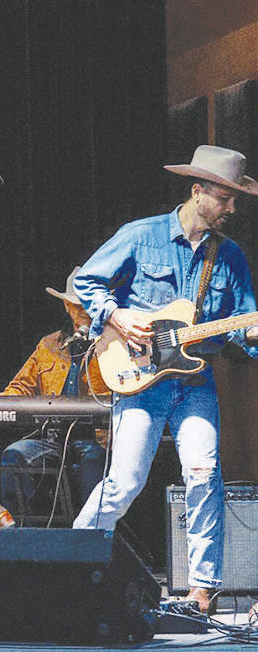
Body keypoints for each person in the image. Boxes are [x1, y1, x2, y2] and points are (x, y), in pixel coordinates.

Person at [72, 145, 258, 614]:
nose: (232, 209)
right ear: (197, 192)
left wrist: (251, 333)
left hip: (196, 382)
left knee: (204, 474)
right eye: (225, 198)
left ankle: (202, 588)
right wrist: (117, 315)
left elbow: (243, 323)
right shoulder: (141, 236)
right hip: (140, 380)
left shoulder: (229, 255)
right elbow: (86, 282)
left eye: (235, 200)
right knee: (125, 481)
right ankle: (73, 559)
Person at [0, 267, 109, 517]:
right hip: (52, 438)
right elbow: (22, 386)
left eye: (87, 304)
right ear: (66, 307)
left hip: (98, 440)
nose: (82, 311)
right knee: (16, 454)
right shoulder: (49, 344)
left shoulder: (113, 345)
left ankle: (93, 535)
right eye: (75, 305)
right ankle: (22, 531)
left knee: (94, 462)